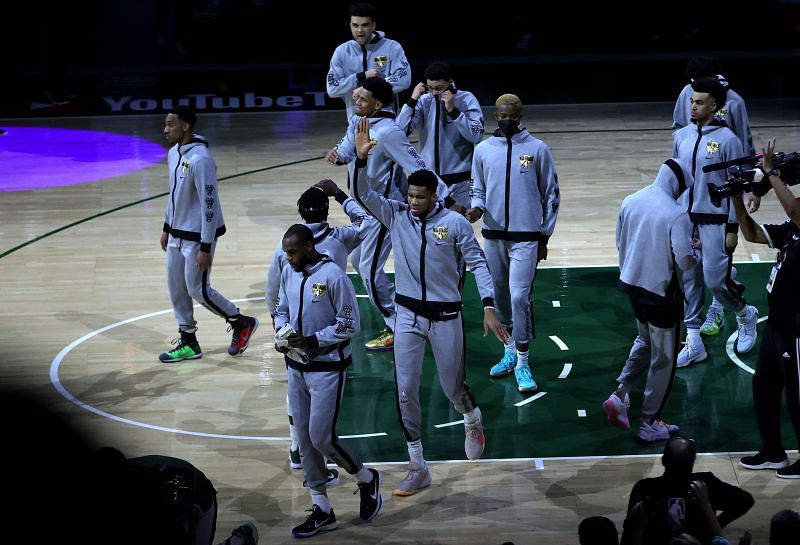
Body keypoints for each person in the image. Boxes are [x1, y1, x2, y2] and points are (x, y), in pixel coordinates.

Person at [350, 116, 508, 495]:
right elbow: (362, 195)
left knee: (452, 389)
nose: (414, 202)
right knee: (406, 390)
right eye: (410, 196)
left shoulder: (455, 224)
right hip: (407, 316)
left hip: (446, 317)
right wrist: (358, 162)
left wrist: (488, 304)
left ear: (435, 195)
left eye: (421, 197)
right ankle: (417, 464)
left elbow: (479, 264)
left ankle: (472, 416)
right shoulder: (396, 214)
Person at [274, 223, 381, 538]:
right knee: (305, 442)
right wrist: (282, 332)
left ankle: (365, 477)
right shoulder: (288, 272)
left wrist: (314, 340)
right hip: (295, 367)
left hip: (327, 368)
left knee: (321, 438)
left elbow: (350, 323)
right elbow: (280, 309)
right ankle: (322, 509)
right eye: (286, 253)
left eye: (293, 253)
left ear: (308, 247)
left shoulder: (334, 276)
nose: (289, 258)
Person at [265, 182, 372, 475]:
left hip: (316, 345)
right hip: (316, 343)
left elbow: (273, 294)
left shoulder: (284, 246)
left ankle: (295, 448)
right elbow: (367, 221)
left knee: (310, 422)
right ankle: (317, 486)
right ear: (327, 211)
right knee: (312, 417)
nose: (291, 258)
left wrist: (279, 330)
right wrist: (340, 195)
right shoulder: (339, 237)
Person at [326, 76, 439, 352]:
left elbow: (417, 167)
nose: (356, 102)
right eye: (355, 98)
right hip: (364, 212)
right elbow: (345, 149)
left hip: (384, 211)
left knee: (367, 268)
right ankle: (403, 315)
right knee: (357, 259)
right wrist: (338, 155)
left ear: (378, 104)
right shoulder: (359, 121)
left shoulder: (389, 132)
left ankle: (397, 325)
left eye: (362, 99)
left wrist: (440, 200)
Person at [466, 93, 560, 393]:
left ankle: (523, 361)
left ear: (520, 115)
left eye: (512, 116)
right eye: (502, 116)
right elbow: (477, 188)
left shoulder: (537, 149)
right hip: (493, 237)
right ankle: (508, 350)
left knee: (520, 298)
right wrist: (477, 208)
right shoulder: (483, 150)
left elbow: (552, 195)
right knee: (500, 298)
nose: (507, 121)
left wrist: (544, 235)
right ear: (496, 115)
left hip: (526, 238)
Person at [602, 158, 697, 442]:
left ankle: (621, 392)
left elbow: (620, 241)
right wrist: (697, 254)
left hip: (632, 287)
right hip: (661, 296)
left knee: (644, 341)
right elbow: (684, 261)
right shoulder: (676, 213)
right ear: (678, 184)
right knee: (664, 360)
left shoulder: (631, 200)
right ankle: (649, 422)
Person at [159, 106, 258, 363]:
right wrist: (166, 227)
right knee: (176, 288)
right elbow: (172, 196)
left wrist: (205, 245)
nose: (165, 129)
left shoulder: (201, 160)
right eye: (165, 124)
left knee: (198, 289)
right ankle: (189, 341)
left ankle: (241, 321)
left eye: (171, 124)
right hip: (175, 235)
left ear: (186, 126)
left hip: (197, 238)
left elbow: (210, 205)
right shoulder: (173, 154)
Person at [672, 78, 758, 368]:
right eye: (691, 101)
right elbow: (677, 180)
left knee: (714, 282)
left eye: (699, 102)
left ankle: (746, 314)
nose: (693, 106)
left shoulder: (729, 140)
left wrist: (733, 228)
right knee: (688, 281)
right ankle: (694, 342)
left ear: (715, 106)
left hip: (717, 222)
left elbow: (736, 187)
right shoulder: (681, 135)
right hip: (685, 220)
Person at [733, 138, 800, 479]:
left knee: (798, 396)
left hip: (798, 327)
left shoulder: (798, 217)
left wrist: (772, 173)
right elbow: (751, 234)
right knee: (765, 387)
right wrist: (735, 198)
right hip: (778, 323)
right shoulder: (792, 230)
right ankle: (773, 451)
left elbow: (793, 209)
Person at [89, 446, 258, 545]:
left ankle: (240, 541)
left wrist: (191, 522)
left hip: (197, 495)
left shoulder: (148, 491)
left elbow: (186, 525)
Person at [620, 436, 754, 545]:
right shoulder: (705, 484)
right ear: (692, 463)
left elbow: (629, 535)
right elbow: (746, 500)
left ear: (663, 460)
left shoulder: (644, 488)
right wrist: (716, 525)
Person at [396, 61, 484, 209]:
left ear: (450, 82)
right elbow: (399, 132)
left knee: (457, 229)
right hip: (430, 182)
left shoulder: (466, 99)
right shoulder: (424, 101)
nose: (434, 93)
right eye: (430, 88)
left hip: (460, 182)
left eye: (439, 88)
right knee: (430, 230)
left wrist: (454, 111)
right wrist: (412, 100)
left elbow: (476, 136)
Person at [326, 2, 411, 121]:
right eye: (355, 25)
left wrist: (365, 89)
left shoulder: (392, 47)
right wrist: (361, 77)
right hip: (356, 124)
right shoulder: (342, 51)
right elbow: (332, 89)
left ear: (373, 25)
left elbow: (404, 79)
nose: (360, 30)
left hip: (388, 122)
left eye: (365, 25)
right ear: (350, 25)